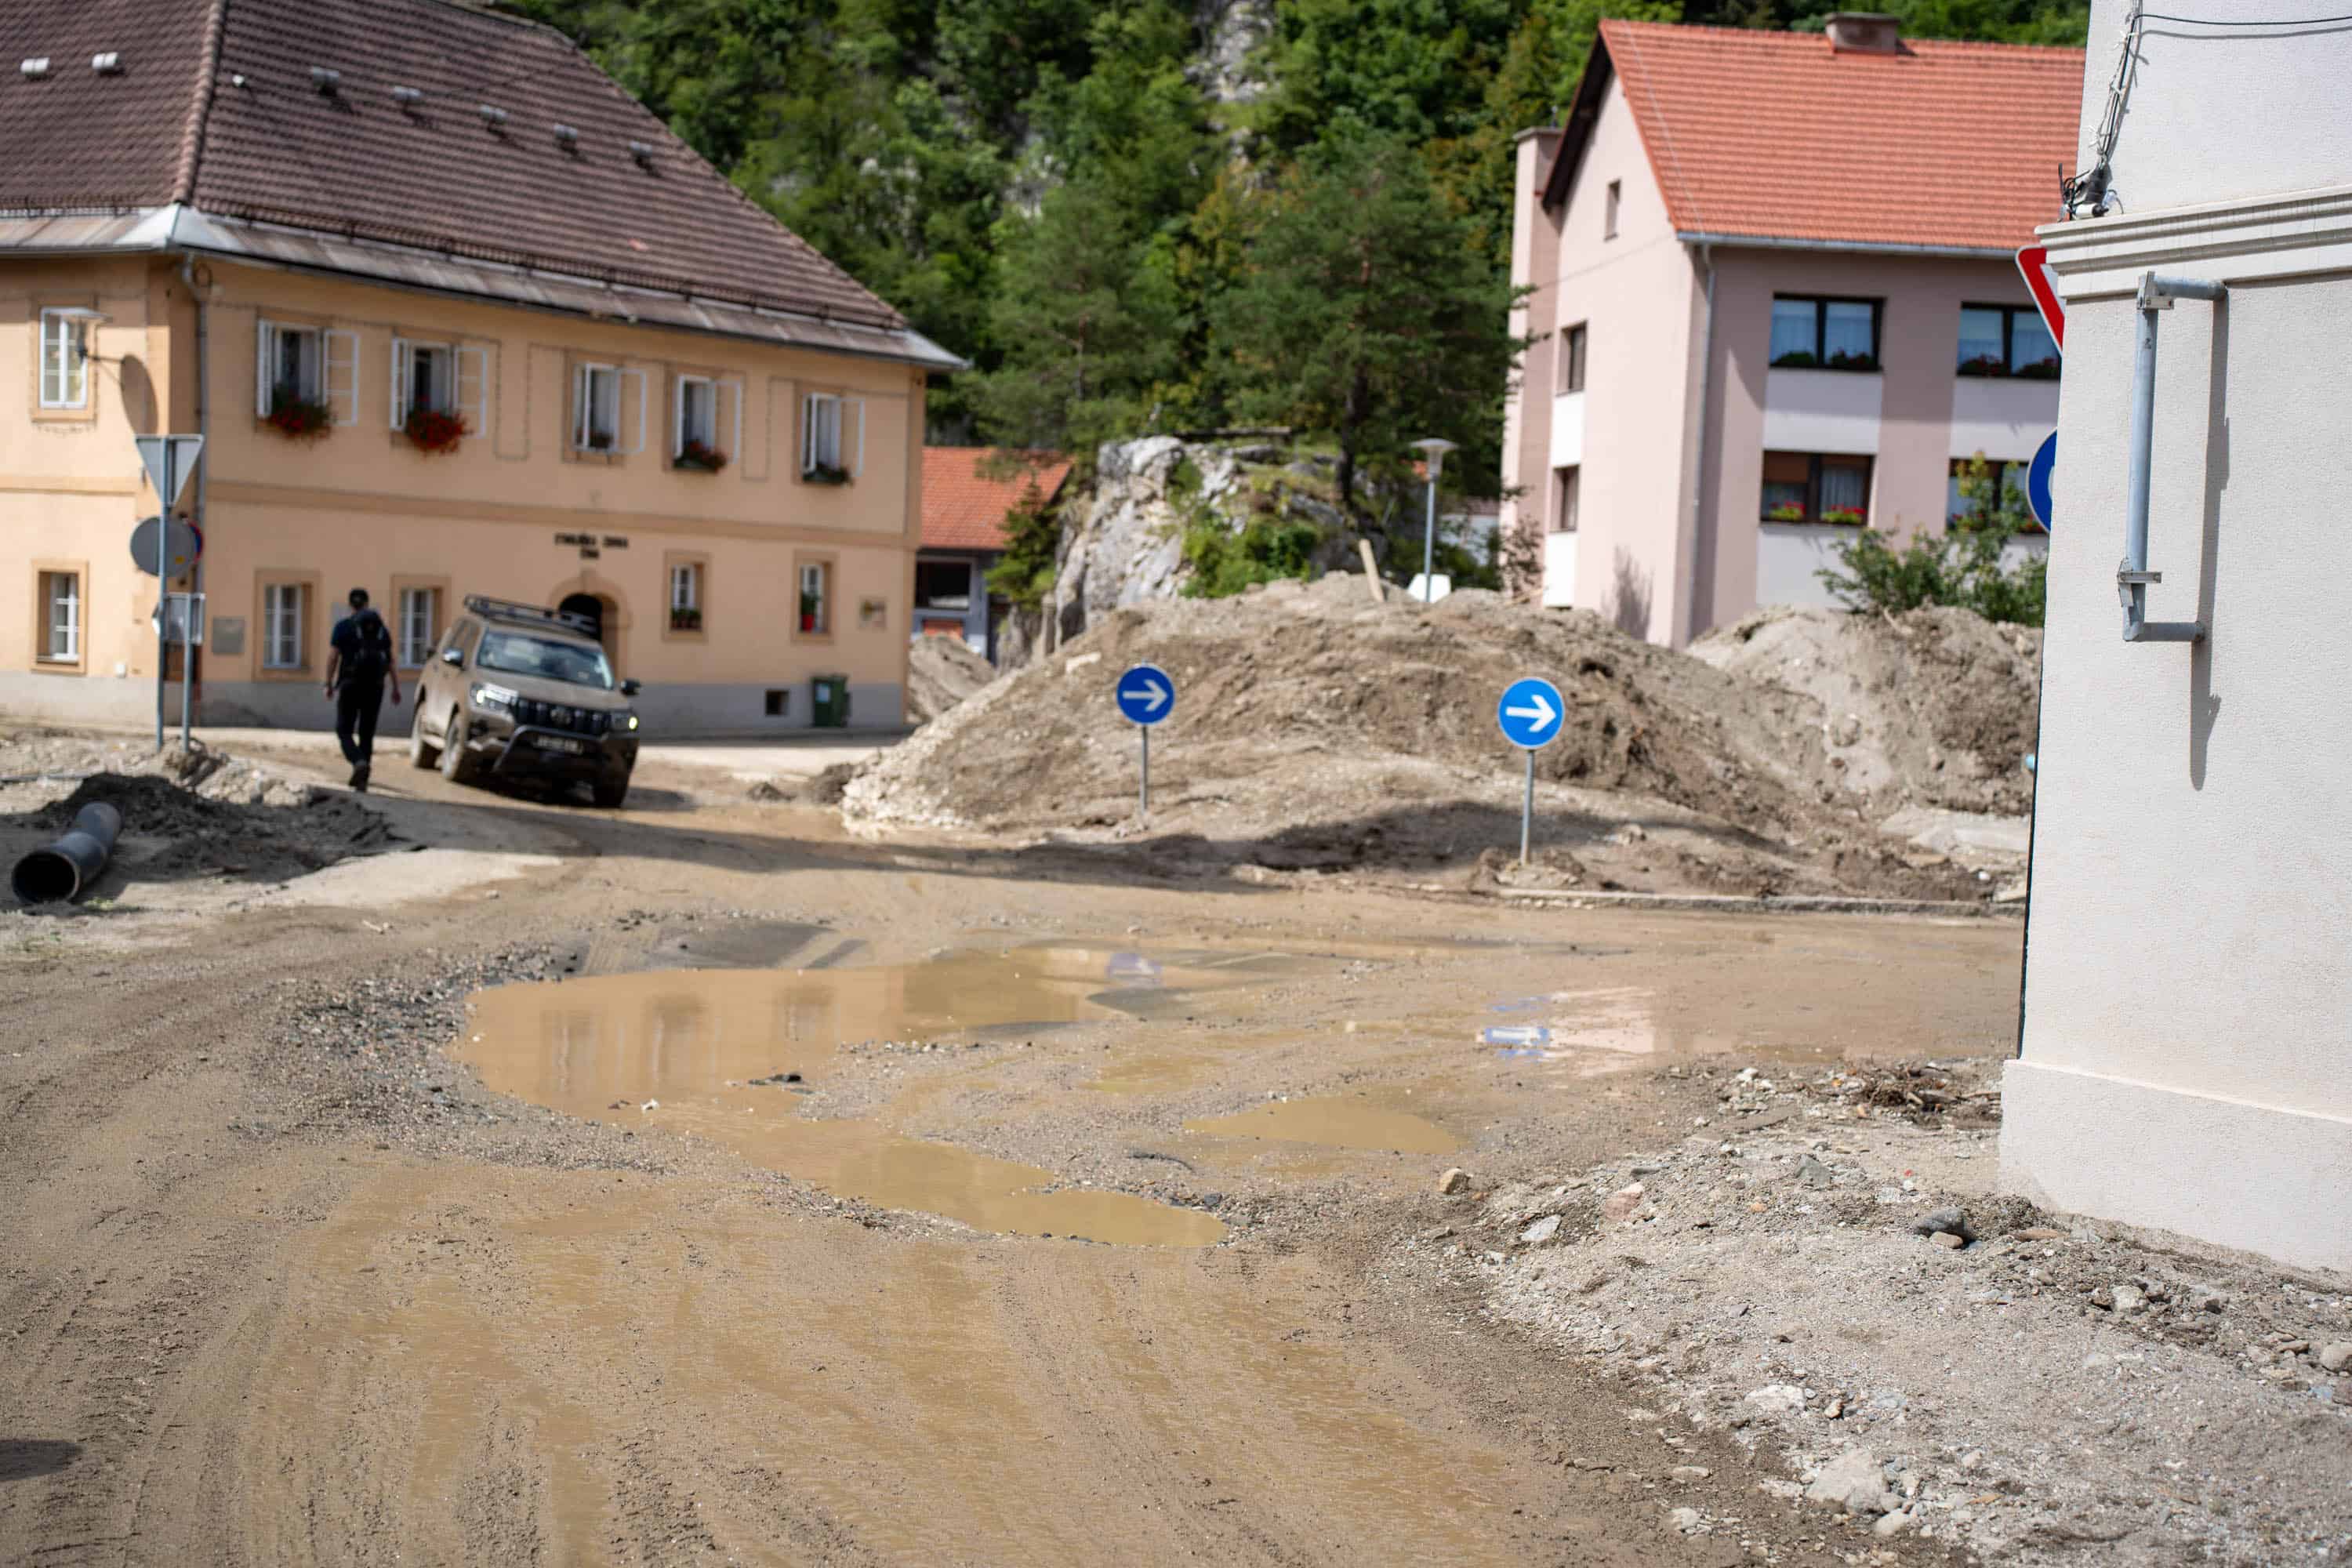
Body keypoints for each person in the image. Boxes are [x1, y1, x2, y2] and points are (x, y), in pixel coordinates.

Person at [324, 587, 401, 791]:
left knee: (344, 730)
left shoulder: (343, 627)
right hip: (375, 687)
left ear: (350, 605)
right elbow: (391, 661)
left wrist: (328, 683)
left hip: (350, 684)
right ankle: (363, 781)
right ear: (367, 604)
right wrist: (396, 687)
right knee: (367, 733)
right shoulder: (381, 630)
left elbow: (333, 657)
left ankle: (358, 762)